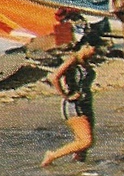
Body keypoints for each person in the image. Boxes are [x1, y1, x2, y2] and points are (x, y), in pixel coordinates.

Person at [40, 33, 100, 167]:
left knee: (83, 147)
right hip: (74, 106)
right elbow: (54, 77)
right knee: (86, 141)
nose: (94, 54)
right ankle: (52, 156)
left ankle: (78, 175)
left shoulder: (85, 62)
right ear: (86, 46)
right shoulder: (73, 60)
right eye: (93, 50)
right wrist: (66, 96)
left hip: (86, 105)